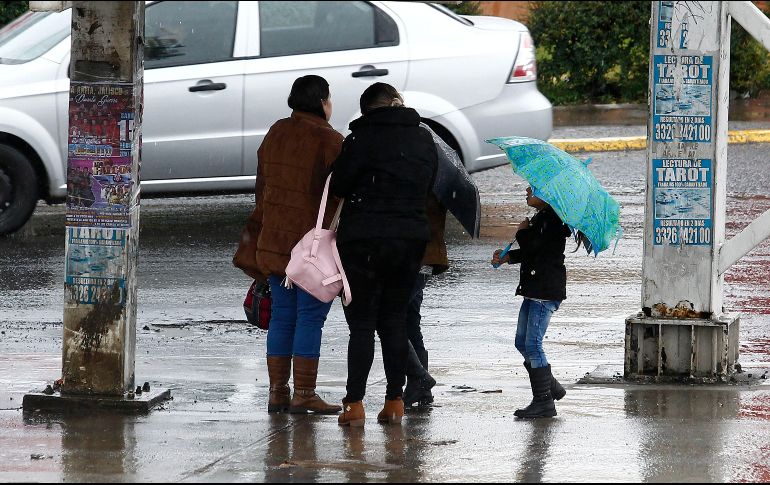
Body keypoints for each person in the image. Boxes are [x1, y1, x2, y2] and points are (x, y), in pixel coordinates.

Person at [330, 83, 438, 427]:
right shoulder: (423, 139)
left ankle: (354, 404)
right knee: (394, 321)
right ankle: (394, 402)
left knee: (361, 326)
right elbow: (430, 181)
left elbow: (339, 187)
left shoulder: (359, 140)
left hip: (363, 240)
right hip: (409, 239)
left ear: (366, 111)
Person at [244, 75, 344, 415]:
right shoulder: (330, 141)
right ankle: (304, 393)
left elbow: (262, 186)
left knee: (283, 317)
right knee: (310, 319)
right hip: (310, 249)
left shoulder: (276, 132)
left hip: (273, 241)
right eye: (329, 99)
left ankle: (277, 392)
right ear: (321, 102)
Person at [491, 186, 571, 419]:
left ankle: (544, 401)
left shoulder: (554, 220)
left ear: (547, 195)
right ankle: (550, 386)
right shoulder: (542, 218)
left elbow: (535, 246)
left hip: (544, 291)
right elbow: (533, 252)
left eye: (533, 189)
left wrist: (521, 233)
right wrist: (508, 257)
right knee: (521, 342)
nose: (527, 190)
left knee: (533, 344)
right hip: (534, 289)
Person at [402, 195, 446, 408]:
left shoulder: (421, 172)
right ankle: (421, 388)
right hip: (424, 259)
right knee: (410, 323)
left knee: (391, 320)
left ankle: (419, 378)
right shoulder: (437, 175)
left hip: (414, 258)